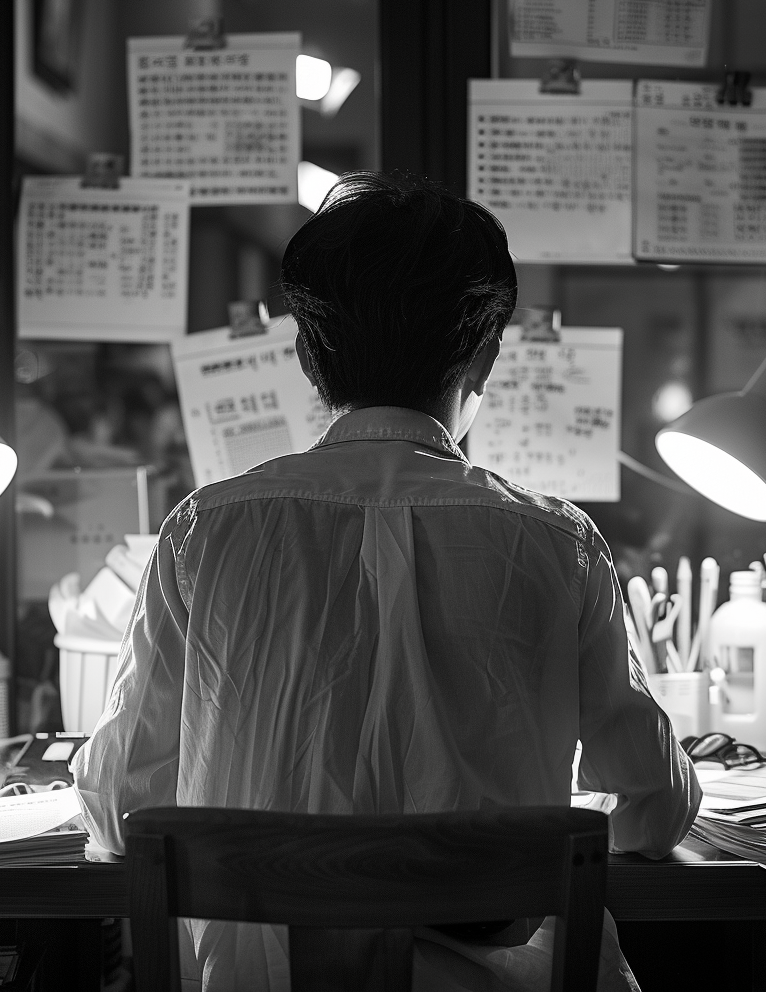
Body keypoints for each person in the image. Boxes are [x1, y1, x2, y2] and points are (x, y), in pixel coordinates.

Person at [73, 172, 700, 992]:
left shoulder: (205, 531)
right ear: (485, 354)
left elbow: (122, 807)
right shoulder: (556, 543)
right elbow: (655, 810)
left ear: (304, 352)